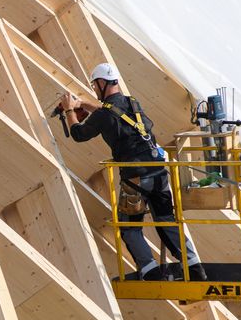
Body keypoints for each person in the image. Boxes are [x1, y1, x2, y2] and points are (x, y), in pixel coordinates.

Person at [60, 63, 207, 281]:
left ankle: (150, 272)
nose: (94, 89)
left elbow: (79, 134)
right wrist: (84, 104)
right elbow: (111, 113)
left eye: (94, 85)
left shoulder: (104, 115)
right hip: (158, 172)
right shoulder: (133, 103)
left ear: (101, 83)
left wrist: (70, 109)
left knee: (129, 226)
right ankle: (195, 268)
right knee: (166, 220)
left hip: (136, 178)